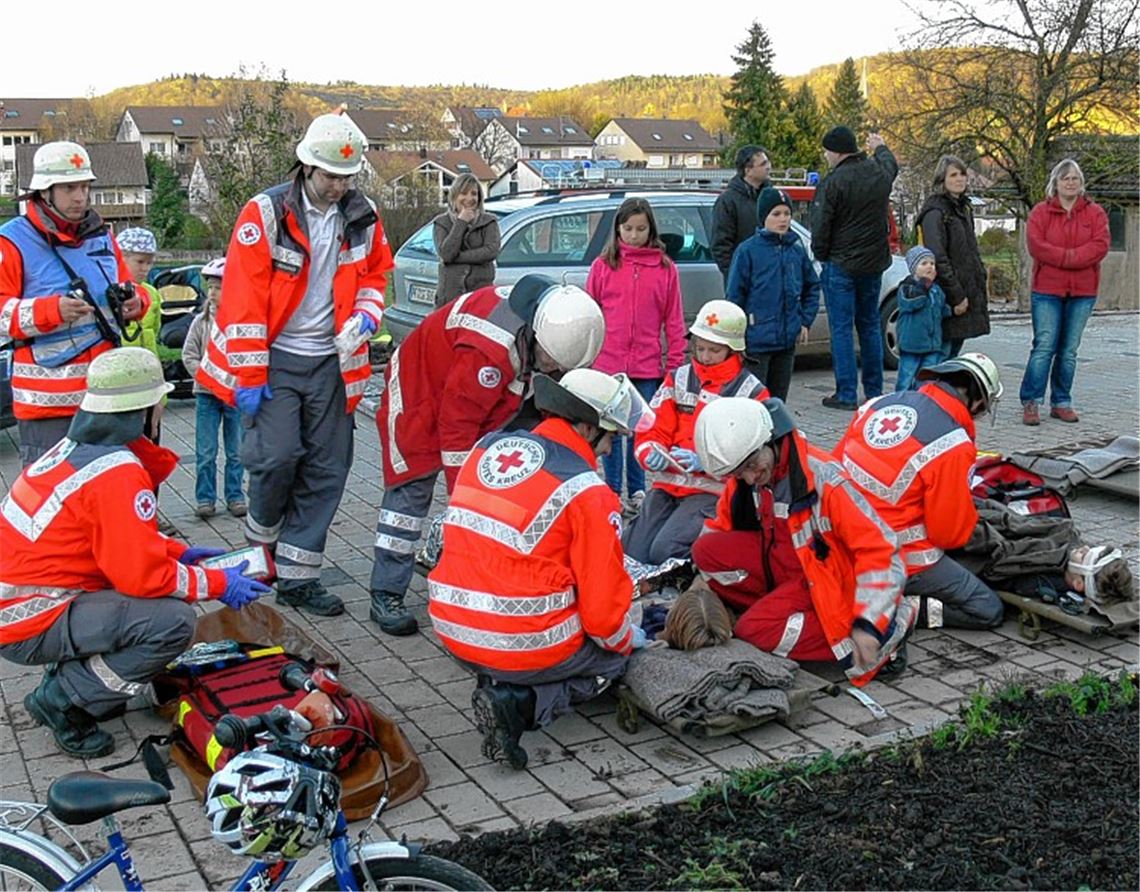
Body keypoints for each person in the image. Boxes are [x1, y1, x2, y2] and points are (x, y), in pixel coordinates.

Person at [0, 348, 270, 758]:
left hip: (24, 605)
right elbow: (141, 576)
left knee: (151, 605)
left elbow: (106, 540)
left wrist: (179, 553)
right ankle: (64, 700)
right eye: (158, 403)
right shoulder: (117, 473)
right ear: (140, 412)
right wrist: (216, 582)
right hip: (32, 618)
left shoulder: (75, 450)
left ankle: (74, 680)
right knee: (172, 621)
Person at [197, 112, 392, 617]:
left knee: (327, 469)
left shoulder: (363, 213)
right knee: (276, 458)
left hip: (333, 361)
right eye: (330, 176)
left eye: (347, 177)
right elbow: (242, 301)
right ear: (306, 166)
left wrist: (367, 317)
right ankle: (261, 552)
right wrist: (250, 375)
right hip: (276, 361)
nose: (338, 186)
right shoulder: (264, 213)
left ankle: (300, 577)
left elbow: (375, 274)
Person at [427, 369, 653, 769]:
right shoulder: (588, 492)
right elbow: (602, 617)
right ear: (586, 428)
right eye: (609, 437)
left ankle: (499, 677)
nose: (608, 450)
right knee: (614, 658)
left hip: (451, 626)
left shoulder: (488, 449)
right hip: (524, 643)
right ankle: (522, 704)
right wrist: (628, 637)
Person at [371, 275, 605, 637]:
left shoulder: (552, 321)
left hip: (479, 398)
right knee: (410, 494)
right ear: (538, 336)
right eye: (551, 361)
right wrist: (465, 501)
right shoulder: (489, 351)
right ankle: (386, 592)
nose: (553, 369)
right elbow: (457, 431)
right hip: (420, 398)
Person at [691, 397, 913, 685]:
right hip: (788, 567)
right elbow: (720, 528)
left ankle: (887, 632)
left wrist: (869, 624)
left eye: (752, 465)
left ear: (769, 439)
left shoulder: (825, 479)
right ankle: (779, 609)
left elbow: (882, 550)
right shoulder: (750, 472)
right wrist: (698, 580)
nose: (749, 478)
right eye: (738, 473)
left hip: (825, 578)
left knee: (754, 631)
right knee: (705, 551)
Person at [0, 141, 147, 466]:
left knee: (108, 490)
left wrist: (138, 302)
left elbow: (129, 285)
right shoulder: (10, 241)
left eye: (85, 187)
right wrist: (51, 310)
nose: (80, 197)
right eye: (69, 188)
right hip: (49, 405)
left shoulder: (101, 234)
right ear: (44, 191)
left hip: (107, 395)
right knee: (53, 501)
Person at [834, 352, 1006, 630]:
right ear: (977, 401)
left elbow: (835, 469)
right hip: (897, 557)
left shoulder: (876, 405)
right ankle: (908, 610)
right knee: (987, 609)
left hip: (839, 537)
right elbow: (948, 534)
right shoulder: (953, 444)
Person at [624, 300, 769, 567]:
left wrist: (709, 463)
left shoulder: (750, 391)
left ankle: (700, 571)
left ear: (734, 350)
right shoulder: (678, 378)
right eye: (699, 347)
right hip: (669, 485)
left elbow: (758, 454)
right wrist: (649, 453)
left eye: (714, 350)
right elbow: (651, 427)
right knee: (632, 551)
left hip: (714, 491)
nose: (704, 356)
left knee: (664, 552)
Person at [586, 196, 686, 513]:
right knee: (612, 432)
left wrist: (674, 365)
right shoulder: (602, 266)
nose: (633, 235)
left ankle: (638, 490)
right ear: (617, 229)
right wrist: (587, 360)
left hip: (647, 365)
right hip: (608, 365)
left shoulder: (665, 269)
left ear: (650, 230)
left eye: (640, 229)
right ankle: (612, 490)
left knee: (642, 429)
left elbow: (674, 319)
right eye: (627, 228)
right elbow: (591, 315)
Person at [809, 127, 899, 411]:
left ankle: (846, 392)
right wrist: (880, 146)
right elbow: (891, 165)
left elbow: (821, 226)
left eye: (826, 151)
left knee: (842, 329)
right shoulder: (877, 174)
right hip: (873, 264)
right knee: (870, 325)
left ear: (836, 151)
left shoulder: (833, 182)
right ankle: (873, 391)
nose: (825, 157)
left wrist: (821, 255)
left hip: (841, 264)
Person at [1018, 159, 1111, 426]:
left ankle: (1061, 401)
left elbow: (1100, 246)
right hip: (1047, 290)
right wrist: (1070, 257)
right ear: (1055, 183)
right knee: (1044, 346)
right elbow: (1037, 246)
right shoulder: (1040, 213)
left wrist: (1068, 257)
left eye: (1075, 178)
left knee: (1069, 350)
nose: (1070, 182)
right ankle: (1031, 401)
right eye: (1065, 178)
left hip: (1083, 291)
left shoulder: (1095, 214)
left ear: (1081, 184)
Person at [725, 186, 821, 401]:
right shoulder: (748, 251)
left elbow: (812, 286)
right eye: (776, 214)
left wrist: (805, 321)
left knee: (778, 401)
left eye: (787, 214)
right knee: (756, 401)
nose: (783, 219)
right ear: (763, 217)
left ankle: (777, 436)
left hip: (787, 342)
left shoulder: (796, 249)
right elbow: (735, 296)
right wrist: (737, 336)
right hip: (756, 342)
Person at [182, 258, 246, 519]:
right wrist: (207, 378)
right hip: (207, 395)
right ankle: (205, 498)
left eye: (218, 287)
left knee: (237, 450)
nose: (212, 293)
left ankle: (235, 496)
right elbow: (189, 355)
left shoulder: (241, 321)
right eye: (210, 287)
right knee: (206, 451)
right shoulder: (201, 322)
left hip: (233, 395)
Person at [914, 155, 989, 359]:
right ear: (942, 179)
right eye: (953, 175)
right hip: (947, 295)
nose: (959, 179)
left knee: (952, 353)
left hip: (965, 290)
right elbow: (937, 256)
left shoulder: (963, 208)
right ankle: (927, 391)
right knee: (940, 355)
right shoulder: (936, 212)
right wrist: (956, 296)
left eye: (962, 174)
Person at [432, 173, 501, 306]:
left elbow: (490, 252)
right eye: (464, 193)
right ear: (454, 196)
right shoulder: (441, 223)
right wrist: (461, 222)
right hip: (449, 299)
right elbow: (446, 253)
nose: (469, 198)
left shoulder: (489, 221)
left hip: (480, 298)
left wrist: (456, 258)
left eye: (474, 194)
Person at [894, 245, 951, 391]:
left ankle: (923, 401)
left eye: (932, 264)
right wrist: (924, 285)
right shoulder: (907, 287)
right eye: (924, 263)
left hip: (932, 345)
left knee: (928, 378)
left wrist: (948, 310)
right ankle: (901, 400)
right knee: (906, 377)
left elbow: (941, 308)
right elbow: (913, 303)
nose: (930, 267)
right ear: (913, 268)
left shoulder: (936, 289)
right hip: (911, 344)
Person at [711, 145, 771, 281]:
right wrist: (736, 275)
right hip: (743, 280)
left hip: (770, 277)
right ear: (748, 170)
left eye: (767, 162)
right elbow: (721, 246)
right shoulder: (728, 201)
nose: (768, 167)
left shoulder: (771, 196)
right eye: (763, 164)